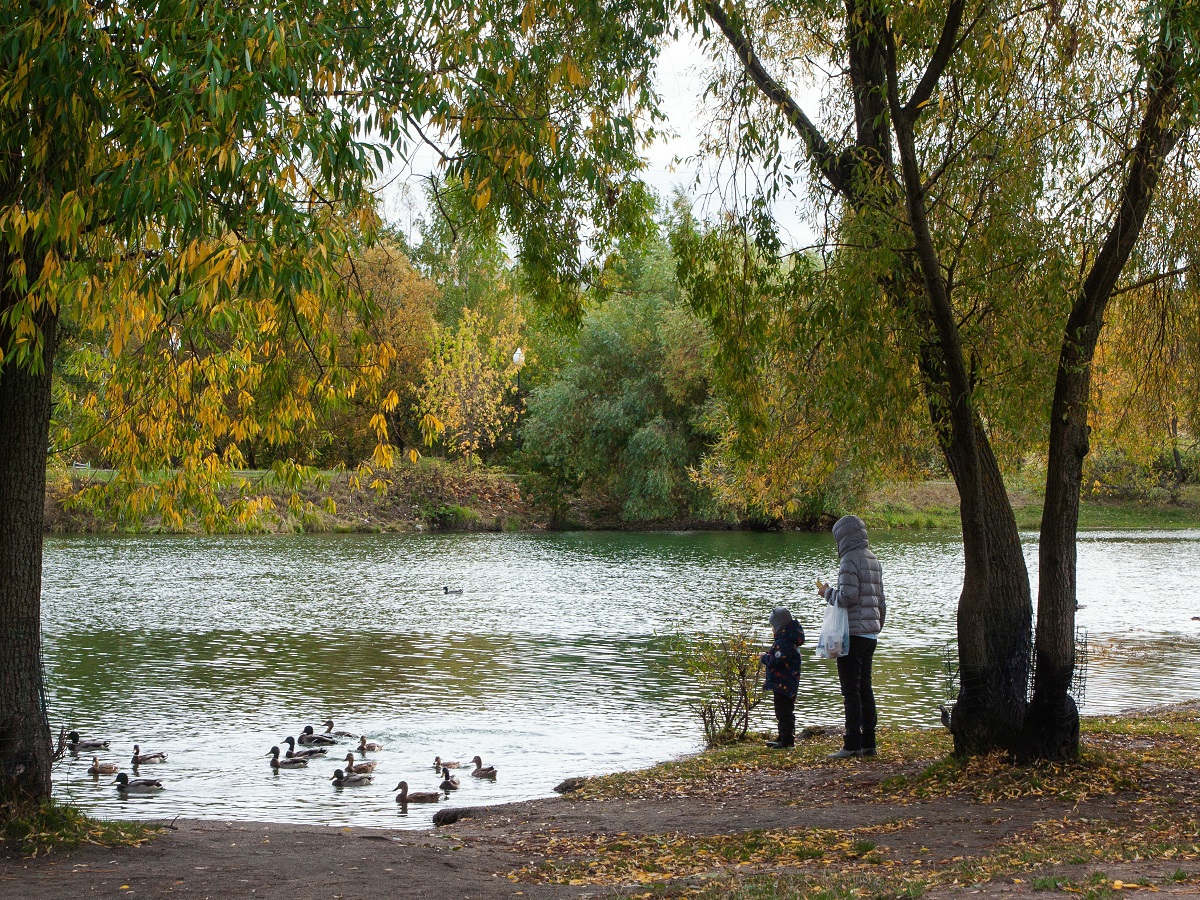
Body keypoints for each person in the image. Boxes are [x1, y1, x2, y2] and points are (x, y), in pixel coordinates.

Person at [819, 514, 885, 759]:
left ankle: (851, 744)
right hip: (870, 634)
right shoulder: (873, 559)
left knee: (851, 690)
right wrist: (877, 626)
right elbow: (881, 600)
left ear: (843, 537)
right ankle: (869, 742)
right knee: (865, 688)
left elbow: (847, 597)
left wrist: (827, 593)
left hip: (853, 634)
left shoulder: (849, 560)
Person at [760, 606, 804, 749]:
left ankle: (787, 741)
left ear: (779, 626)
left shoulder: (783, 642)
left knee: (784, 713)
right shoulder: (787, 640)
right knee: (782, 712)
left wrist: (764, 657)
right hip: (785, 683)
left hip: (784, 684)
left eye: (772, 627)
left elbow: (777, 660)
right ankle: (782, 736)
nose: (771, 630)